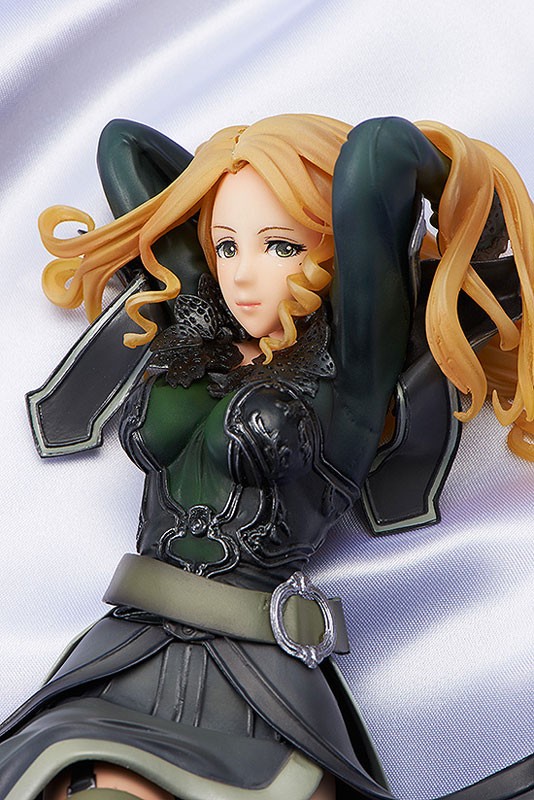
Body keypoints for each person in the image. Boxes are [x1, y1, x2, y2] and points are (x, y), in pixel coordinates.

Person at [0, 114, 532, 800]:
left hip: (251, 681)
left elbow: (377, 152)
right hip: (122, 650)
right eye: (226, 246)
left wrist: (469, 208)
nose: (242, 275)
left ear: (337, 249)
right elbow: (123, 146)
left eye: (280, 245)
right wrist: (231, 160)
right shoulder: (202, 323)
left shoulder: (351, 372)